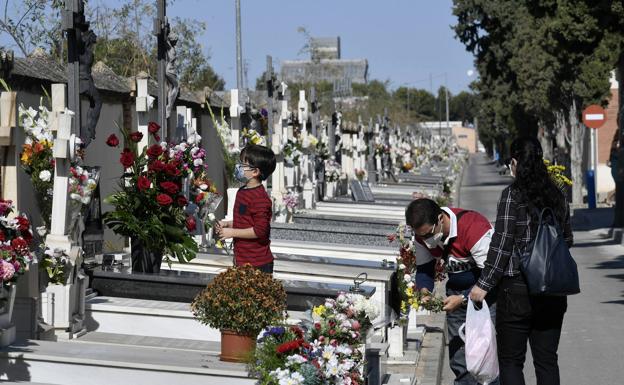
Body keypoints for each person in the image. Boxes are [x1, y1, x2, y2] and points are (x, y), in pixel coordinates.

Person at [470, 137, 573, 385]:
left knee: (512, 361)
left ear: (515, 162)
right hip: (552, 289)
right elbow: (567, 239)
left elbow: (502, 243)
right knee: (547, 360)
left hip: (517, 289)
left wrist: (483, 284)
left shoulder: (512, 195)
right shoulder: (558, 192)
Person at [406, 198, 498, 385]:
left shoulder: (473, 227)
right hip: (456, 293)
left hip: (487, 295)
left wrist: (464, 298)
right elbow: (424, 268)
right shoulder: (422, 236)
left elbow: (490, 275)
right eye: (421, 237)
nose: (426, 241)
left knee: (485, 358)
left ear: (440, 218)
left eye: (428, 234)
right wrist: (424, 291)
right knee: (460, 358)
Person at [215, 144, 276, 274]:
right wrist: (227, 224)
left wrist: (231, 233)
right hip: (241, 259)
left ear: (255, 172)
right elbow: (246, 221)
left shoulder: (260, 198)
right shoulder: (242, 191)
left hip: (257, 263)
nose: (239, 167)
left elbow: (260, 231)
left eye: (243, 164)